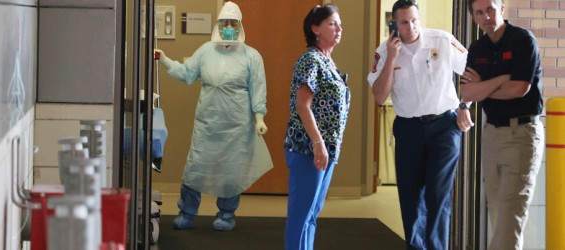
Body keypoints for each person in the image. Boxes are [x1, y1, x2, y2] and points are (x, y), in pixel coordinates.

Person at [154, 1, 273, 231]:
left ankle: (226, 215)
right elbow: (188, 73)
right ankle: (187, 213)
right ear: (218, 24)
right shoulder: (206, 51)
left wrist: (259, 118)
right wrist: (165, 60)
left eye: (233, 23)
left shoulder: (251, 56)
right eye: (224, 23)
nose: (229, 27)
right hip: (207, 125)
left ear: (240, 26)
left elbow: (258, 89)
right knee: (195, 169)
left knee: (231, 172)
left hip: (237, 127)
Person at [366, 0, 472, 249]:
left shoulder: (442, 41)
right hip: (409, 128)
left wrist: (464, 105)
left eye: (414, 20)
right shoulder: (383, 52)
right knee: (411, 198)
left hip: (444, 127)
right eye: (404, 22)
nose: (411, 26)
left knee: (438, 195)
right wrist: (392, 58)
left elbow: (472, 72)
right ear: (394, 24)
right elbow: (380, 96)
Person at [461, 0, 544, 249]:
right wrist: (500, 81)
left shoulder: (522, 41)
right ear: (474, 17)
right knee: (498, 215)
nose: (486, 16)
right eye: (479, 12)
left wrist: (483, 88)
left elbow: (519, 88)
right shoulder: (476, 49)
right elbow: (467, 93)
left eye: (490, 9)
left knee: (509, 216)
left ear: (501, 9)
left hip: (522, 135)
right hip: (491, 136)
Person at [283, 4, 350, 250]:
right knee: (301, 216)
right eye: (332, 23)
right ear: (315, 29)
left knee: (312, 215)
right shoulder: (310, 59)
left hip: (325, 150)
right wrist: (318, 143)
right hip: (307, 150)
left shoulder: (327, 60)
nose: (339, 28)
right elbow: (303, 105)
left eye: (339, 23)